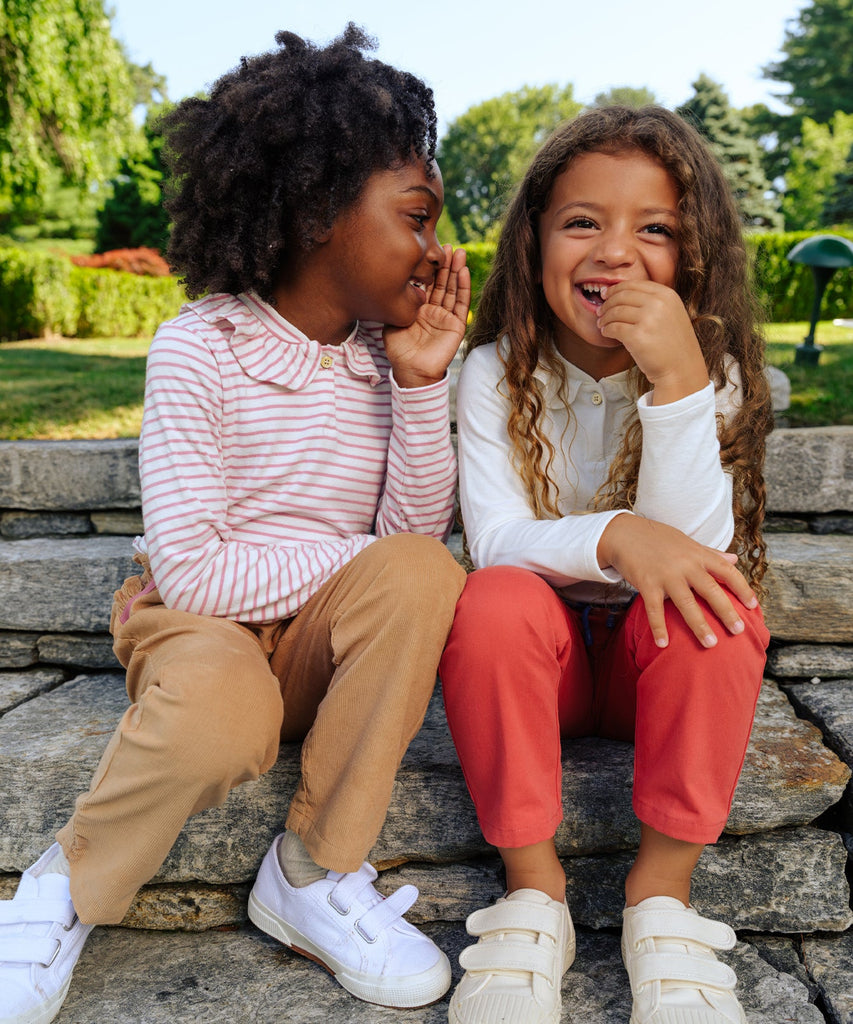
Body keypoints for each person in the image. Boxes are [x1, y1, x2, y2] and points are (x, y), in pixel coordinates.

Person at [0, 25, 470, 1024]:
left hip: (315, 648)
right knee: (225, 713)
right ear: (314, 213)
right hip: (201, 635)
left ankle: (311, 871)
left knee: (424, 570)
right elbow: (200, 578)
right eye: (416, 216)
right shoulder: (198, 349)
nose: (435, 248)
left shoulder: (391, 362)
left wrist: (423, 388)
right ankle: (58, 888)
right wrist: (368, 561)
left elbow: (408, 544)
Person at [438, 105, 772, 1024]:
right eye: (583, 221)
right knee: (494, 597)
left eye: (653, 229)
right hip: (534, 667)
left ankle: (660, 901)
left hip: (645, 660)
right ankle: (532, 894)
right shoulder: (490, 371)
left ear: (692, 257)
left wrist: (675, 384)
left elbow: (694, 556)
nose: (614, 252)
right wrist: (614, 534)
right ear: (535, 243)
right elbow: (495, 538)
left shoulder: (713, 373)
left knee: (722, 606)